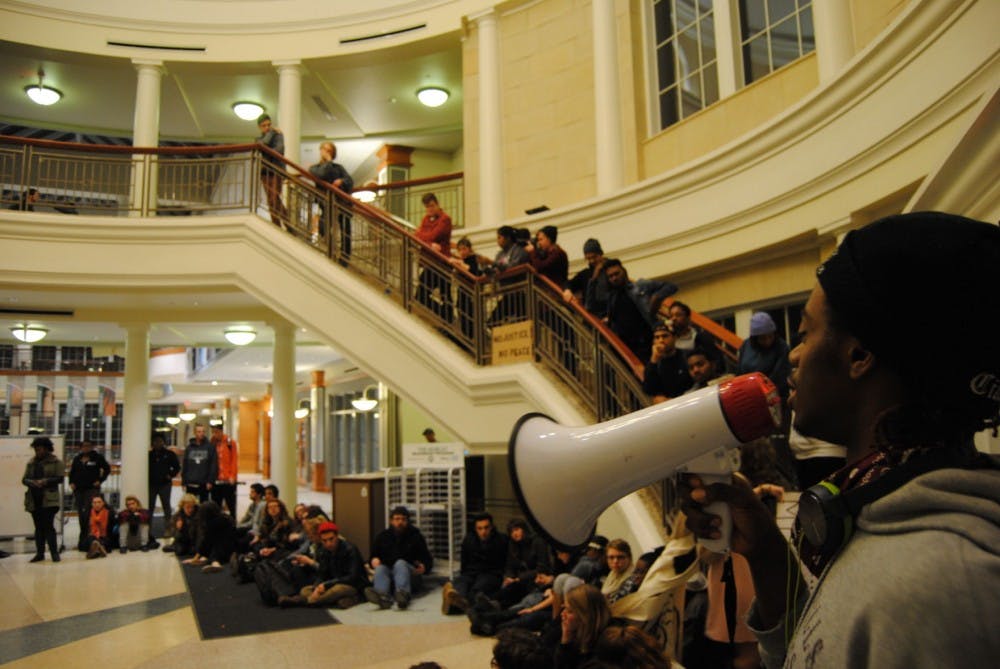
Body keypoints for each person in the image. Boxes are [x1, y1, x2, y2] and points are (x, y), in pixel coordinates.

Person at [681, 212, 1000, 668]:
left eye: (807, 332)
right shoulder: (877, 509)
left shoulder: (939, 589)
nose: (793, 353)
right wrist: (769, 556)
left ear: (859, 355)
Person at [604, 259, 678, 362]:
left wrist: (656, 297)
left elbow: (671, 286)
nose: (614, 278)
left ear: (624, 272)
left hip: (647, 339)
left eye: (617, 274)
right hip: (628, 346)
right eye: (610, 276)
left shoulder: (640, 286)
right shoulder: (611, 297)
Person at [281, 521, 367, 608]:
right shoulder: (323, 551)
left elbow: (352, 577)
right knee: (305, 590)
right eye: (324, 541)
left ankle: (304, 601)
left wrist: (326, 585)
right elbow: (322, 574)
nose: (328, 543)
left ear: (337, 536)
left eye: (331, 539)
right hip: (332, 583)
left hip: (352, 585)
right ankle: (342, 600)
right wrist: (317, 587)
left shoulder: (350, 549)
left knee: (336, 590)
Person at [366, 505, 433, 610]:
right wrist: (373, 560)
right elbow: (372, 557)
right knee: (381, 568)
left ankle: (403, 595)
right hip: (389, 572)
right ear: (391, 521)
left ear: (408, 521)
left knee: (400, 563)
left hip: (410, 574)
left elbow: (428, 559)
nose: (400, 522)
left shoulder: (416, 536)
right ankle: (382, 597)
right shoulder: (382, 537)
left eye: (403, 519)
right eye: (397, 519)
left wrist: (424, 567)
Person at [443, 512, 508, 614]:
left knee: (476, 591)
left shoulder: (502, 540)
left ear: (491, 527)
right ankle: (456, 598)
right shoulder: (469, 539)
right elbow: (464, 562)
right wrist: (464, 575)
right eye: (480, 528)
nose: (483, 531)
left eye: (486, 528)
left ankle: (455, 605)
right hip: (471, 572)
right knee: (461, 583)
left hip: (491, 573)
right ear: (475, 529)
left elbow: (506, 561)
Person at [22, 437, 65, 563]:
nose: (37, 451)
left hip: (49, 500)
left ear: (47, 449)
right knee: (38, 527)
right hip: (34, 498)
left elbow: (60, 478)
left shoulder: (56, 462)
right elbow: (24, 479)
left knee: (48, 526)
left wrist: (45, 481)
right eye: (35, 449)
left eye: (39, 449)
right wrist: (32, 482)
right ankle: (39, 553)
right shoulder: (31, 463)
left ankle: (54, 554)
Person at [413, 192, 454, 320]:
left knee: (444, 294)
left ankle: (446, 317)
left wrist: (427, 239)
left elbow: (431, 235)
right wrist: (430, 243)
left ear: (437, 204)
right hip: (431, 261)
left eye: (431, 206)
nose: (429, 209)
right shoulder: (426, 219)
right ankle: (444, 315)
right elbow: (417, 236)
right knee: (423, 294)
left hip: (441, 262)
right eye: (427, 207)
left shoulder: (445, 219)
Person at [737, 311, 791, 404]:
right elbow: (740, 372)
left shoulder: (782, 347)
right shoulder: (746, 346)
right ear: (754, 338)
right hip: (751, 397)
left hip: (776, 397)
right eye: (762, 338)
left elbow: (780, 376)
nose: (767, 341)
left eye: (770, 336)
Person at [307, 140, 354, 245]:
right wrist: (328, 162)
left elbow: (350, 181)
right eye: (325, 150)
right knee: (324, 227)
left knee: (346, 230)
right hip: (326, 202)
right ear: (321, 151)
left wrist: (341, 181)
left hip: (342, 202)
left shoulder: (339, 168)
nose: (328, 153)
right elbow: (323, 174)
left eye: (330, 151)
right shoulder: (314, 168)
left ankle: (344, 258)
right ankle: (332, 248)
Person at [556, 584, 612, 668]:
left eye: (570, 611)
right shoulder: (575, 632)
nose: (562, 614)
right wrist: (566, 638)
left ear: (586, 615)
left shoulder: (606, 646)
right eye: (564, 608)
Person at [68, 439, 111, 550]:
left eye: (88, 446)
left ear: (92, 447)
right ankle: (82, 541)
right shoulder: (77, 459)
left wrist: (100, 480)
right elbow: (72, 472)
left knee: (89, 514)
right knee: (81, 516)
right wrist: (71, 482)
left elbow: (107, 469)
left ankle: (91, 540)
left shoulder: (97, 458)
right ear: (80, 448)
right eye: (83, 446)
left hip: (91, 489)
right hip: (78, 490)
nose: (86, 448)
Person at [643, 323, 693, 402]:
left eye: (665, 336)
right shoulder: (654, 361)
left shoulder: (687, 356)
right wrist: (654, 360)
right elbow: (649, 390)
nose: (661, 340)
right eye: (657, 337)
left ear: (675, 338)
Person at [563, 238, 612, 319]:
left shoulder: (612, 269)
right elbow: (569, 283)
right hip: (593, 317)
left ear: (600, 254)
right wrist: (567, 290)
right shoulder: (585, 274)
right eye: (588, 258)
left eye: (594, 257)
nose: (592, 261)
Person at [182, 501, 236, 573]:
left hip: (222, 549)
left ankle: (216, 564)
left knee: (215, 553)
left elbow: (206, 541)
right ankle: (206, 559)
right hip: (232, 546)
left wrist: (195, 558)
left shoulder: (211, 524)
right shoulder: (225, 517)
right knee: (215, 545)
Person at [255, 113, 287, 227]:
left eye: (269, 125)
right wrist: (271, 133)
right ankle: (277, 225)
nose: (267, 128)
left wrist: (271, 135)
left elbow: (279, 150)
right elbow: (263, 145)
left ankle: (288, 224)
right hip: (265, 172)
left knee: (274, 198)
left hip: (276, 170)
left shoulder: (278, 135)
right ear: (259, 127)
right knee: (270, 200)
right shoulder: (259, 139)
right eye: (264, 126)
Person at [148, 435, 179, 546]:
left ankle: (168, 529)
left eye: (160, 441)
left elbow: (176, 467)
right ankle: (148, 530)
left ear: (163, 442)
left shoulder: (169, 454)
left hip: (165, 485)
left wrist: (170, 475)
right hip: (151, 485)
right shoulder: (149, 455)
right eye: (155, 441)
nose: (158, 443)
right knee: (150, 507)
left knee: (166, 507)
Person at [181, 423, 217, 502]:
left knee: (203, 507)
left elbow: (213, 465)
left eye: (203, 431)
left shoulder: (210, 447)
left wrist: (210, 481)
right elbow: (185, 465)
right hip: (191, 483)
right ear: (195, 433)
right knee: (190, 505)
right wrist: (184, 482)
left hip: (204, 483)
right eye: (199, 431)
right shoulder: (189, 448)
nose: (201, 433)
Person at [210, 424, 238, 516]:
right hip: (216, 479)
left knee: (231, 504)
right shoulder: (212, 443)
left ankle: (233, 523)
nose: (215, 434)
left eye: (217, 432)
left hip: (227, 480)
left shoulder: (230, 442)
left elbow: (234, 460)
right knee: (216, 505)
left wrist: (232, 476)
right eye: (213, 432)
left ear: (221, 431)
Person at [85, 494, 111, 559]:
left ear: (103, 503)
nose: (97, 504)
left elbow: (111, 530)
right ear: (92, 504)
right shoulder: (88, 513)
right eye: (94, 502)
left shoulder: (109, 513)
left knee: (104, 541)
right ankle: (100, 548)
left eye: (99, 502)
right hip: (92, 536)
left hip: (104, 536)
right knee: (91, 539)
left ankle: (95, 551)